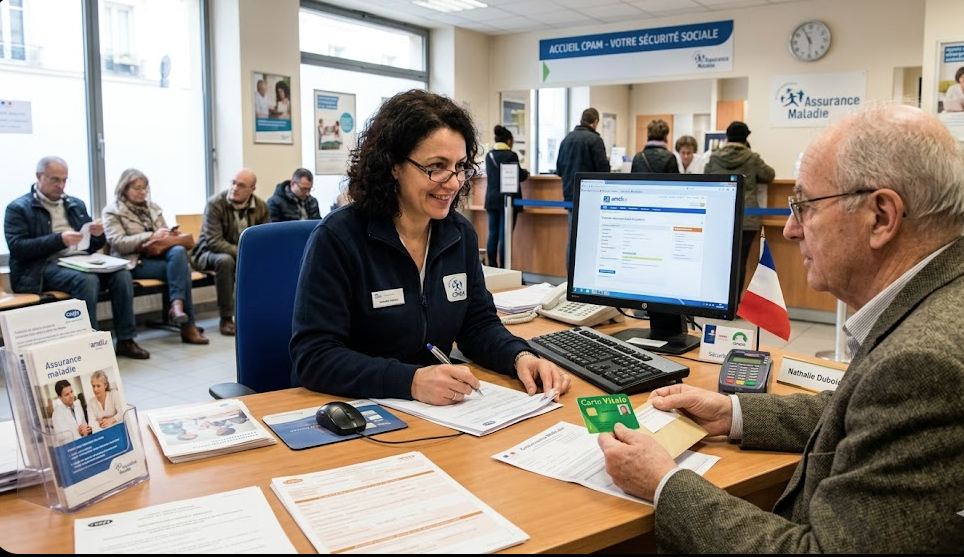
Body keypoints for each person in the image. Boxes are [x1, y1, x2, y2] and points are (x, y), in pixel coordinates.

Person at [597, 103, 964, 553]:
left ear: (881, 216)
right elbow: (860, 412)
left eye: (804, 206)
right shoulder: (938, 305)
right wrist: (732, 412)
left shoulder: (923, 363)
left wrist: (665, 483)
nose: (790, 230)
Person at [289, 89, 571, 405]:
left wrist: (519, 356)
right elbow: (314, 357)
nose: (453, 183)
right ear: (393, 165)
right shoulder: (339, 238)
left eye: (460, 166)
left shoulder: (459, 234)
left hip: (437, 409)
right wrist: (410, 381)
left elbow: (477, 326)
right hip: (357, 409)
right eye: (436, 166)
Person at [4, 156, 150, 359]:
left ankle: (126, 339)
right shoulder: (18, 208)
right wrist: (59, 240)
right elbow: (18, 248)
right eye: (55, 180)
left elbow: (91, 244)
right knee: (86, 280)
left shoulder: (75, 204)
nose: (61, 185)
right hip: (42, 266)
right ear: (39, 177)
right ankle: (89, 344)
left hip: (81, 260)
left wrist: (98, 235)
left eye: (64, 180)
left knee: (122, 274)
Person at [102, 168, 209, 345]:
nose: (142, 192)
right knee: (181, 270)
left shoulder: (153, 208)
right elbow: (117, 242)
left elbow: (164, 239)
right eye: (137, 188)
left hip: (157, 258)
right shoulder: (112, 211)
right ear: (124, 188)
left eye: (145, 188)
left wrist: (171, 234)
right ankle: (187, 324)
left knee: (179, 252)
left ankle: (177, 307)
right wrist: (150, 236)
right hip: (132, 262)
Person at [191, 168, 269, 336]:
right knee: (225, 261)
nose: (235, 188)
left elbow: (264, 237)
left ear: (252, 189)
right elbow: (213, 241)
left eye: (241, 185)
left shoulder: (261, 206)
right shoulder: (215, 204)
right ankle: (226, 318)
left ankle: (261, 313)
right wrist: (244, 253)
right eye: (233, 183)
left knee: (267, 260)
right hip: (208, 253)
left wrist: (252, 255)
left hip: (240, 254)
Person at [703, 121, 775, 294]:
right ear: (746, 138)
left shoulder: (714, 157)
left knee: (719, 260)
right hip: (746, 217)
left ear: (727, 137)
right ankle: (734, 305)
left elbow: (705, 178)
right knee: (740, 261)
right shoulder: (752, 158)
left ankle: (716, 299)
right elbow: (769, 175)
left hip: (719, 216)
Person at [555, 108, 611, 265]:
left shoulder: (566, 139)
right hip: (591, 198)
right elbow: (604, 170)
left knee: (573, 238)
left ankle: (570, 278)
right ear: (595, 122)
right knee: (592, 239)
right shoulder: (595, 140)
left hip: (570, 197)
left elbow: (559, 169)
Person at [484, 125, 529, 269]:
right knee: (505, 236)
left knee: (493, 234)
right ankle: (504, 268)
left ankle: (491, 266)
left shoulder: (489, 155)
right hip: (507, 201)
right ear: (509, 141)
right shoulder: (511, 155)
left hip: (491, 200)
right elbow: (519, 176)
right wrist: (526, 173)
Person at [50, 379, 91, 446]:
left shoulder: (77, 405)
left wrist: (85, 429)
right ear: (60, 397)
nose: (71, 396)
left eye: (71, 392)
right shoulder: (57, 413)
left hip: (85, 444)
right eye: (67, 394)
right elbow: (60, 436)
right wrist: (78, 432)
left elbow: (84, 423)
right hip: (72, 448)